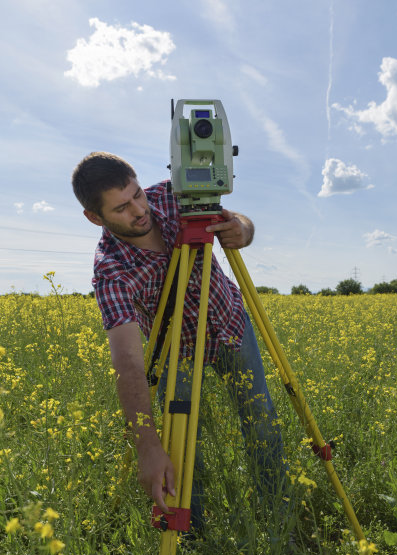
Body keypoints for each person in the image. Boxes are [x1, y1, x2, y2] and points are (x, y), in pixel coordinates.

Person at [72, 151, 287, 529]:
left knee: (262, 421)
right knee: (184, 449)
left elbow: (239, 222)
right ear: (95, 218)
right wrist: (146, 445)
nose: (139, 209)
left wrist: (241, 229)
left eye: (137, 193)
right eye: (121, 207)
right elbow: (128, 362)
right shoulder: (111, 269)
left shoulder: (174, 196)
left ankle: (278, 514)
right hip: (178, 351)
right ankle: (193, 535)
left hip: (231, 325)